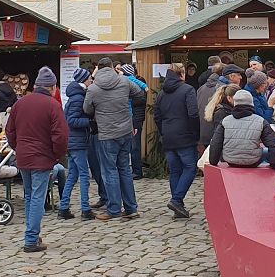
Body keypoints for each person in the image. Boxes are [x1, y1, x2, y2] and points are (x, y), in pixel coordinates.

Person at [7, 67, 68, 252]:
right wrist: (56, 155)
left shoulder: (20, 104)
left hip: (24, 156)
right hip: (42, 157)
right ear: (53, 87)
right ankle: (31, 239)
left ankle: (32, 234)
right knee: (37, 198)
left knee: (30, 196)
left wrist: (18, 148)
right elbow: (61, 136)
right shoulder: (53, 105)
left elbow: (10, 131)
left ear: (35, 86)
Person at [84, 57, 143, 221]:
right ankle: (131, 208)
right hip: (125, 130)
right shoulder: (124, 81)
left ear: (98, 68)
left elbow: (86, 109)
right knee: (124, 169)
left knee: (109, 171)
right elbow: (139, 93)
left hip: (107, 133)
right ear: (112, 67)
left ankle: (114, 209)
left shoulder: (93, 88)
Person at [153, 64, 200, 219]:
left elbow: (157, 116)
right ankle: (176, 200)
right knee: (190, 168)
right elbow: (193, 114)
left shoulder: (161, 94)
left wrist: (163, 131)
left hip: (168, 136)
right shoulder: (188, 90)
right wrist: (195, 133)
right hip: (185, 135)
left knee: (175, 171)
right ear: (182, 74)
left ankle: (177, 206)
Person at [208, 89, 275, 169]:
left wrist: (213, 162)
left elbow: (215, 143)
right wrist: (274, 163)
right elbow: (273, 143)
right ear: (251, 103)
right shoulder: (261, 121)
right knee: (266, 151)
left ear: (235, 103)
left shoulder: (225, 121)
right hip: (253, 161)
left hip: (230, 160)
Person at [59, 68, 96, 221]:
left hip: (73, 141)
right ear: (83, 80)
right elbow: (72, 121)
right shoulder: (78, 98)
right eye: (89, 78)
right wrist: (89, 122)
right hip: (77, 142)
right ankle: (85, 209)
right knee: (84, 175)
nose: (91, 80)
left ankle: (63, 208)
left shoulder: (75, 96)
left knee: (72, 176)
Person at [121, 63, 149, 178]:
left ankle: (137, 171)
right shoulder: (134, 82)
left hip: (135, 118)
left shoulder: (135, 82)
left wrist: (130, 98)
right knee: (133, 144)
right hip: (133, 116)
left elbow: (141, 100)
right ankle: (135, 170)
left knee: (135, 145)